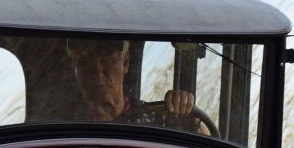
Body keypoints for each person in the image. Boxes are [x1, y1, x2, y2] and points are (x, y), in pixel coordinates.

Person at [65, 39, 209, 134]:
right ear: (75, 70)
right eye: (85, 62)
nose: (98, 72)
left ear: (125, 63)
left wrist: (191, 121)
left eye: (107, 60)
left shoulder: (158, 119)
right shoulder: (63, 123)